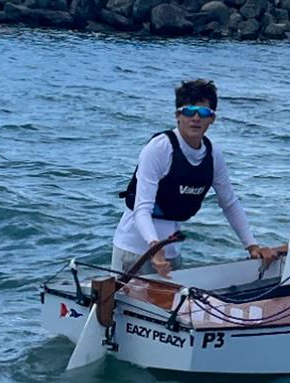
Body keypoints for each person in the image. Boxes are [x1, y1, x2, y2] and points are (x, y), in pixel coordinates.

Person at [112, 79, 276, 277]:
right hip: (134, 251)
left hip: (170, 255)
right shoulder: (159, 149)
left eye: (204, 112)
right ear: (178, 115)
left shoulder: (213, 154)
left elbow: (229, 203)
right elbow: (142, 207)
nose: (196, 118)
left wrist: (251, 245)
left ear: (212, 118)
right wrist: (154, 247)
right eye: (189, 111)